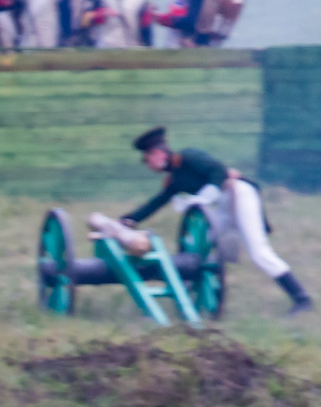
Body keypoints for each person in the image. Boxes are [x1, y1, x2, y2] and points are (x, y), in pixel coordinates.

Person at [123, 126, 310, 313]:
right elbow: (156, 203)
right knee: (203, 248)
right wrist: (129, 219)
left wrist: (203, 198)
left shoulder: (188, 157)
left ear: (157, 153)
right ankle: (190, 283)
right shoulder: (173, 180)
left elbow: (219, 171)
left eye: (146, 159)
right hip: (223, 205)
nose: (147, 164)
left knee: (258, 253)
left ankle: (302, 299)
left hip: (239, 195)